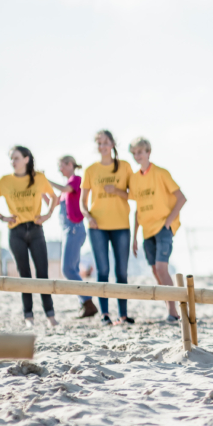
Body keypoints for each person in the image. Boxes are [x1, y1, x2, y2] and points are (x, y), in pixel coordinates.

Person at [0, 146, 59, 327]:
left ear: (26, 159)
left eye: (16, 158)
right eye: (11, 159)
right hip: (16, 231)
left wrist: (47, 215)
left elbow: (54, 197)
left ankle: (50, 316)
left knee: (42, 273)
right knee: (24, 275)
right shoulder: (5, 181)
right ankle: (28, 317)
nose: (13, 162)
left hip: (35, 229)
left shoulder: (38, 178)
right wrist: (3, 217)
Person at [128, 137, 187, 322]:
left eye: (141, 151)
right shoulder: (135, 179)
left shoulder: (161, 173)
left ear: (148, 152)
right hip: (146, 231)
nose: (138, 155)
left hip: (162, 228)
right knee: (155, 271)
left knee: (162, 268)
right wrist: (134, 237)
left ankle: (173, 311)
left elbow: (181, 198)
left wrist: (168, 222)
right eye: (135, 153)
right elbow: (137, 208)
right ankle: (171, 309)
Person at [81, 130, 134, 325]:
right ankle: (104, 315)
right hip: (97, 227)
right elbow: (82, 202)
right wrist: (88, 217)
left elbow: (133, 195)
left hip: (121, 225)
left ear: (113, 144)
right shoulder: (90, 170)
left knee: (121, 272)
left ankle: (123, 315)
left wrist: (117, 191)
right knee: (102, 271)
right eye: (99, 143)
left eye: (106, 142)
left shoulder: (125, 167)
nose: (102, 146)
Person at [46, 155, 97, 318]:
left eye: (61, 166)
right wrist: (41, 186)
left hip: (74, 229)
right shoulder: (65, 190)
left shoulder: (76, 179)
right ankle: (85, 304)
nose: (59, 169)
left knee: (67, 269)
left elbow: (64, 189)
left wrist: (45, 179)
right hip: (68, 230)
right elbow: (52, 203)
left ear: (69, 164)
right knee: (73, 269)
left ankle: (88, 301)